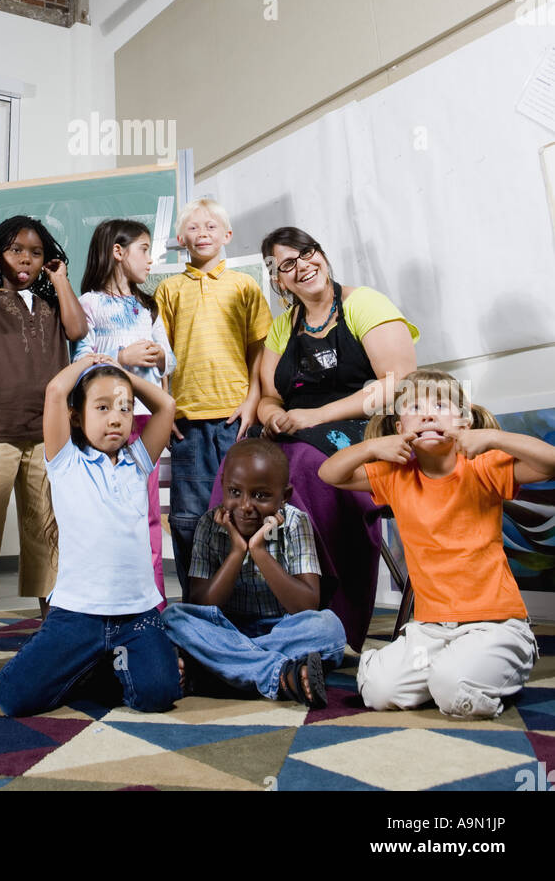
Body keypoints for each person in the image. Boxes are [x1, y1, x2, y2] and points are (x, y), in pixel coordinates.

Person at [220, 226, 418, 651]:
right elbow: (271, 394)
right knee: (238, 465)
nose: (302, 266)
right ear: (279, 280)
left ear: (322, 255)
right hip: (297, 430)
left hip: (361, 429)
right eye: (288, 264)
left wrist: (314, 415)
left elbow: (398, 381)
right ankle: (249, 605)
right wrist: (273, 416)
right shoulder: (283, 326)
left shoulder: (364, 303)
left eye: (307, 253)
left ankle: (328, 613)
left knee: (309, 467)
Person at [319, 368, 553, 718]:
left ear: (464, 420)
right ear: (400, 428)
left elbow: (550, 463)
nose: (427, 414)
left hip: (494, 623)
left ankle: (504, 658)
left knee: (453, 690)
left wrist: (493, 438)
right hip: (430, 630)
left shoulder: (483, 465)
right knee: (379, 691)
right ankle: (454, 668)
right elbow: (329, 474)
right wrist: (371, 447)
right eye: (413, 407)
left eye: (441, 405)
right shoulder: (395, 474)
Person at [0, 355, 180, 716]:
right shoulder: (66, 462)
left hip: (136, 615)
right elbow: (55, 391)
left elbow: (166, 405)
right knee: (14, 697)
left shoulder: (139, 462)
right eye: (103, 407)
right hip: (77, 615)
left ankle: (100, 665)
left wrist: (123, 375)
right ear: (77, 416)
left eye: (125, 409)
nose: (116, 417)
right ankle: (85, 662)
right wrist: (90, 364)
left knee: (159, 696)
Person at [0, 215, 87, 672]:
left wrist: (61, 281)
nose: (25, 259)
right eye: (14, 251)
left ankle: (53, 623)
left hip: (44, 431)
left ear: (49, 259)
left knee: (45, 526)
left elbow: (77, 330)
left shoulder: (50, 302)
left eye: (36, 252)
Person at [163, 439, 346, 705]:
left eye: (261, 496)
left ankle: (215, 670)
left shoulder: (296, 523)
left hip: (282, 629)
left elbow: (306, 605)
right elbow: (201, 603)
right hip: (227, 629)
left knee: (329, 628)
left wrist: (258, 550)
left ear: (284, 496)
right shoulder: (209, 524)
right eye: (235, 492)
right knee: (173, 617)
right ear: (224, 486)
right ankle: (282, 674)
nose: (246, 506)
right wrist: (237, 551)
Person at [155, 198, 272, 595]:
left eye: (210, 227)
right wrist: (165, 408)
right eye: (193, 227)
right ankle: (197, 602)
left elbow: (260, 349)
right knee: (189, 518)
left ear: (227, 235)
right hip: (187, 420)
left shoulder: (245, 286)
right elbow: (161, 358)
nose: (202, 233)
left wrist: (252, 401)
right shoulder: (168, 290)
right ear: (180, 238)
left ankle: (244, 598)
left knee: (241, 511)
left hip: (236, 419)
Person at [75, 218, 176, 605]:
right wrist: (121, 357)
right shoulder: (89, 303)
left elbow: (170, 362)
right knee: (106, 510)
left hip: (146, 421)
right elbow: (80, 361)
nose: (150, 260)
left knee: (147, 513)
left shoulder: (147, 307)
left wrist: (160, 356)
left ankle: (153, 603)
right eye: (144, 249)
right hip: (104, 422)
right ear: (118, 252)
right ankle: (104, 601)